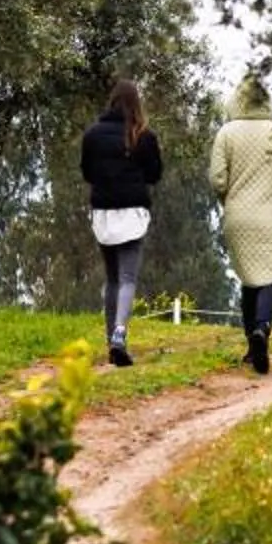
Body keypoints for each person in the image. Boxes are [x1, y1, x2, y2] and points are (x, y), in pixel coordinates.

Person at [208, 72, 272, 375]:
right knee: (268, 276)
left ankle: (251, 344)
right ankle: (262, 329)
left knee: (248, 278)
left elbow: (217, 178)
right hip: (269, 213)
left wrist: (227, 198)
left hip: (238, 214)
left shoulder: (226, 133)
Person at [77, 80, 162, 368]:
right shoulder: (143, 136)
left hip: (103, 213)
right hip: (133, 213)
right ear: (136, 104)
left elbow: (87, 172)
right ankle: (120, 335)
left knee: (112, 278)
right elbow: (154, 175)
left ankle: (109, 338)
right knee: (128, 278)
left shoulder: (92, 135)